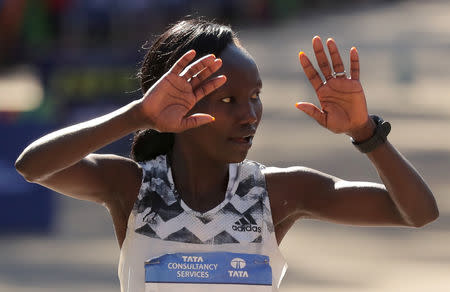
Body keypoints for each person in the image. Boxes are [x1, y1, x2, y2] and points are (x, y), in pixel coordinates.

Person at [15, 18, 438, 292]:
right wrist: (138, 114)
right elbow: (32, 166)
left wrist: (366, 133)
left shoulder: (280, 192)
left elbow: (418, 213)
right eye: (230, 100)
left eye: (254, 97)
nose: (249, 115)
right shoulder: (132, 187)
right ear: (178, 103)